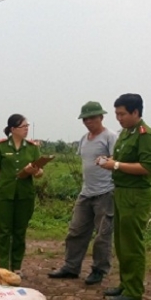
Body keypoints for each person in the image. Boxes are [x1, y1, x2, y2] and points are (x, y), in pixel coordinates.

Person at [97, 93, 151, 300]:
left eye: (122, 114)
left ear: (135, 112)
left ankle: (133, 291)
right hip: (121, 191)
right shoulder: (126, 134)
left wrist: (115, 165)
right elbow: (122, 159)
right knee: (122, 243)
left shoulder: (145, 135)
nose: (118, 118)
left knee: (132, 243)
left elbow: (147, 167)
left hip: (136, 195)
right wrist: (109, 160)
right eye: (116, 113)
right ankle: (125, 284)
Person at [49, 102, 117, 285]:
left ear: (101, 117)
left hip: (106, 192)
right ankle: (71, 267)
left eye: (92, 118)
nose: (88, 122)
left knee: (102, 235)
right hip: (86, 192)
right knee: (76, 231)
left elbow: (117, 160)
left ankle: (99, 270)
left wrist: (107, 160)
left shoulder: (110, 137)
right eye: (85, 119)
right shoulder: (84, 139)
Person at [0, 114, 43, 275]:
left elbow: (39, 173)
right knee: (3, 231)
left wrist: (34, 171)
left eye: (28, 126)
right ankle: (2, 267)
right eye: (24, 127)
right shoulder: (0, 147)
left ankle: (16, 267)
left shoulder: (32, 147)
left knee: (19, 231)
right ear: (13, 129)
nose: (27, 129)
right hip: (3, 194)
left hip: (24, 195)